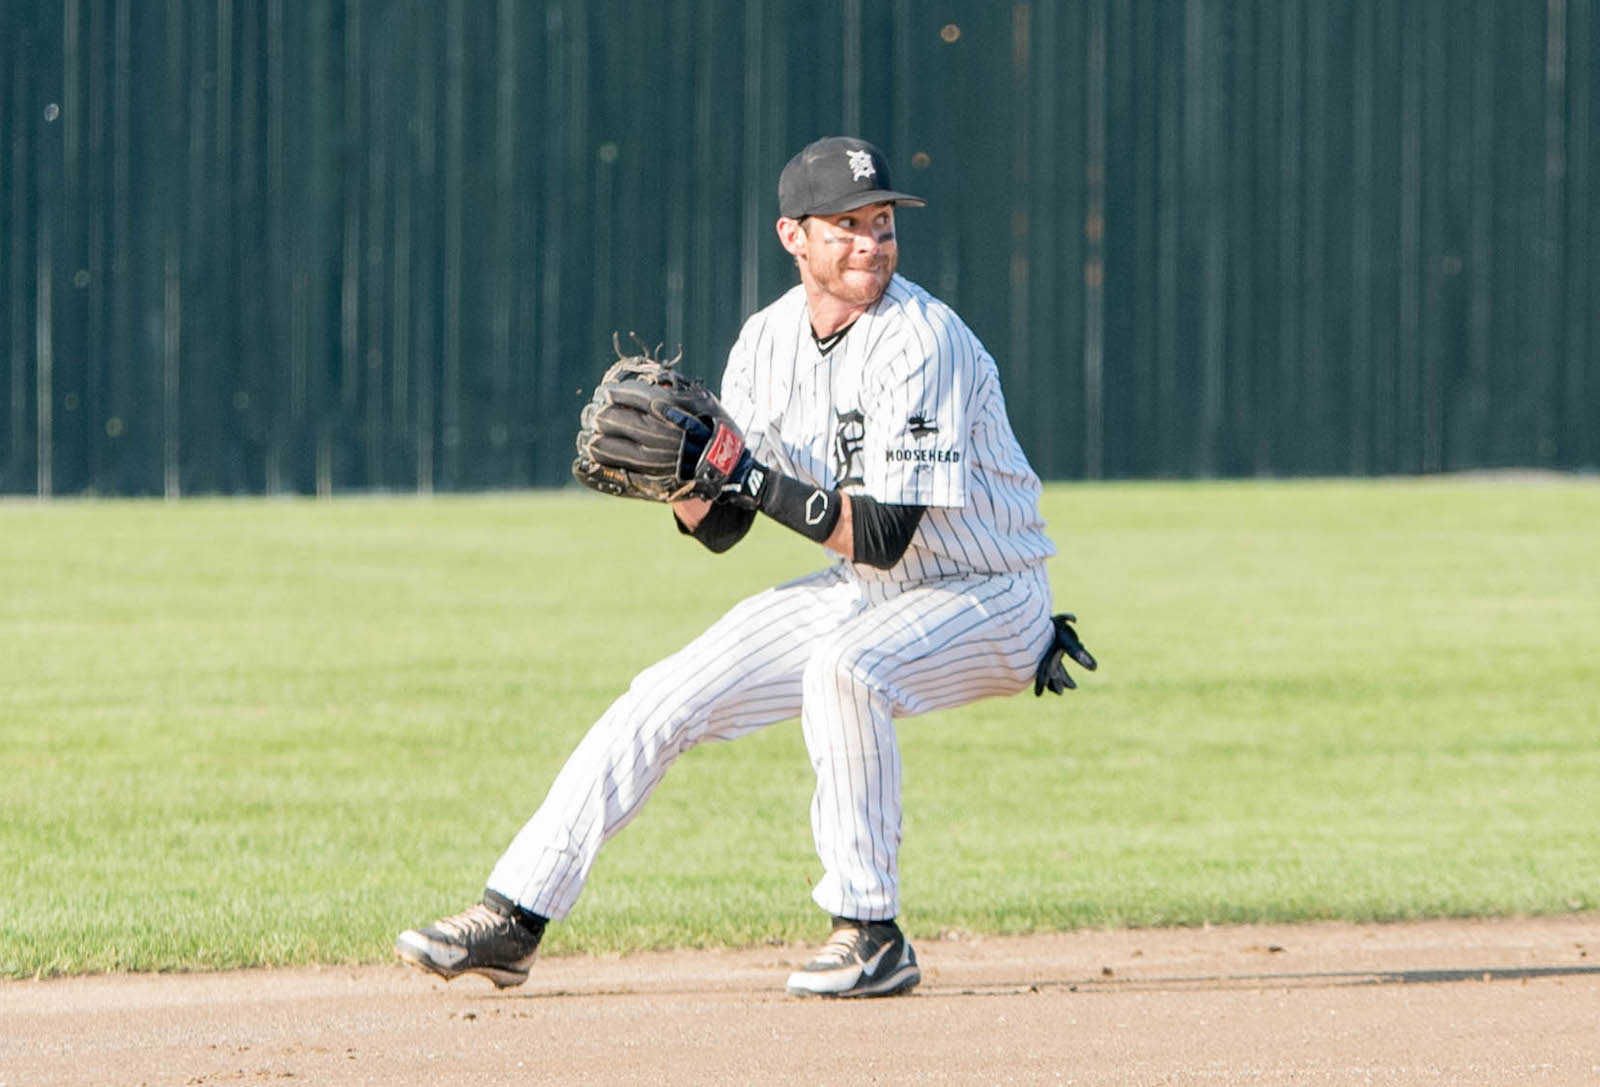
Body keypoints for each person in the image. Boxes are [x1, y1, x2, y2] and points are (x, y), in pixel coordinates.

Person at [396, 136, 1090, 998]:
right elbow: (726, 525)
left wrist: (745, 474)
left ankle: (871, 932)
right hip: (868, 591)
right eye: (847, 225)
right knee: (664, 695)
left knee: (848, 671)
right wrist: (684, 485)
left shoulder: (923, 340)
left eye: (882, 223)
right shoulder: (766, 341)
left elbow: (881, 533)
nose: (872, 241)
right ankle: (515, 915)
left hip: (990, 595)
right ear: (792, 236)